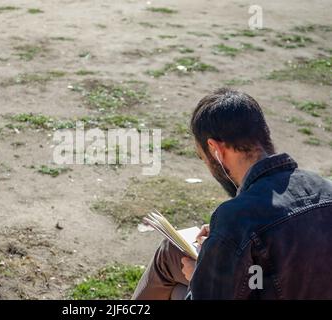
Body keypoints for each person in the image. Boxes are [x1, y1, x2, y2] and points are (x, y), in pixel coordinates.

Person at [133, 88, 332, 300]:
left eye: (203, 157)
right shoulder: (325, 188)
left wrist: (197, 277)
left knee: (175, 275)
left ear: (215, 149)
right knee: (172, 252)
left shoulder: (236, 218)